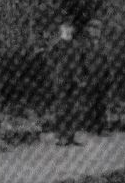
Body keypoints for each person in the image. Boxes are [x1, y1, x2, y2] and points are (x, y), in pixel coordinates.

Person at [47, 17, 86, 146]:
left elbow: (81, 62)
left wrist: (81, 78)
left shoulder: (76, 45)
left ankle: (71, 136)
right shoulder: (56, 45)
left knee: (74, 109)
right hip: (61, 81)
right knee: (62, 108)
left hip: (74, 80)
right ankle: (62, 137)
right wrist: (55, 77)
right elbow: (51, 63)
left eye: (70, 27)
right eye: (65, 27)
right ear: (61, 29)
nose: (68, 29)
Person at [83, 18, 112, 135]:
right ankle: (91, 127)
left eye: (97, 28)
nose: (95, 31)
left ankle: (103, 128)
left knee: (103, 103)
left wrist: (109, 77)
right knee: (90, 103)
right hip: (89, 78)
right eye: (93, 28)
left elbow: (108, 62)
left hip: (102, 78)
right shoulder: (84, 46)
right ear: (88, 30)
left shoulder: (104, 45)